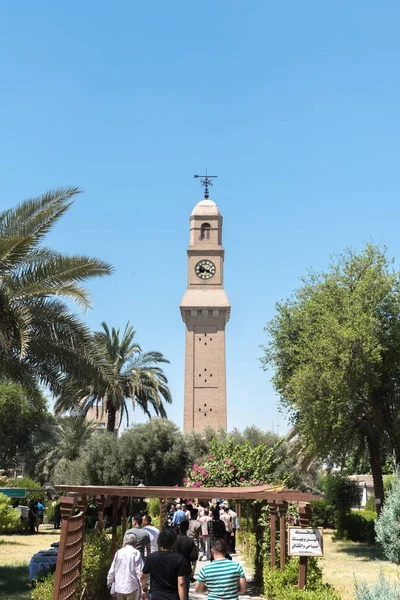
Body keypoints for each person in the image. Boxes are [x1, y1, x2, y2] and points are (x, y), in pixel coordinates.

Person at [141, 530, 190, 600]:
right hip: (173, 597)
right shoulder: (179, 559)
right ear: (173, 543)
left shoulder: (152, 557)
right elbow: (181, 584)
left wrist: (144, 588)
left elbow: (143, 576)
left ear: (159, 542)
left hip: (155, 596)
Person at [107, 532, 143, 600]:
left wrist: (109, 582)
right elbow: (139, 572)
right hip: (132, 587)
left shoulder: (119, 552)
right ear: (135, 542)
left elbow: (112, 570)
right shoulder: (136, 553)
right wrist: (143, 587)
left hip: (119, 587)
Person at [173, 521, 198, 600]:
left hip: (173, 567)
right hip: (185, 568)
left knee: (173, 590)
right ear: (187, 528)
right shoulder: (190, 541)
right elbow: (194, 557)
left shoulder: (173, 540)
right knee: (184, 590)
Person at [187, 509, 201, 580]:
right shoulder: (198, 524)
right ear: (196, 515)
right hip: (194, 542)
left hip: (186, 541)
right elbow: (199, 536)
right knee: (194, 560)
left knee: (187, 559)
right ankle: (191, 576)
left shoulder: (186, 522)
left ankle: (187, 573)